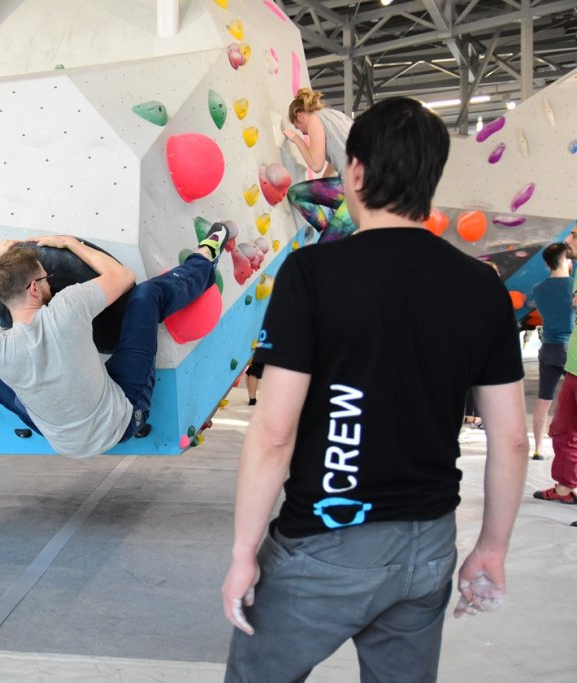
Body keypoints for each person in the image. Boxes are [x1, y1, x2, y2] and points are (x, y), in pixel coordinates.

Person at [220, 97, 528, 682]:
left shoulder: (314, 274)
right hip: (428, 546)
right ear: (430, 179)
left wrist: (243, 553)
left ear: (355, 172)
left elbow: (274, 430)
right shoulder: (479, 286)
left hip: (325, 542)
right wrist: (492, 548)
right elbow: (511, 440)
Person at [0, 225, 229, 457]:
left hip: (65, 444)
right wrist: (71, 243)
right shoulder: (67, 306)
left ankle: (58, 425)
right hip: (120, 422)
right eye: (45, 279)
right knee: (147, 295)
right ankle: (204, 262)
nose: (49, 283)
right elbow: (124, 277)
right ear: (34, 288)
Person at [283, 87, 356, 243]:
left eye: (298, 127)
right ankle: (327, 230)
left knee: (324, 248)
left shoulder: (315, 120)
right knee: (296, 193)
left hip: (359, 194)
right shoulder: (337, 116)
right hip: (366, 185)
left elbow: (316, 165)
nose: (303, 132)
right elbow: (341, 155)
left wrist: (297, 140)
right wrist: (323, 181)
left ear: (300, 116)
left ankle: (329, 237)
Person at [542, 226, 577, 504]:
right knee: (562, 430)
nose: (568, 239)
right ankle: (566, 488)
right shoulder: (574, 277)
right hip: (573, 367)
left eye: (574, 235)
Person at [531, 242, 574, 460]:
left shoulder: (538, 289)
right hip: (570, 350)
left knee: (543, 400)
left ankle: (538, 449)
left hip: (547, 348)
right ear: (565, 261)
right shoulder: (572, 285)